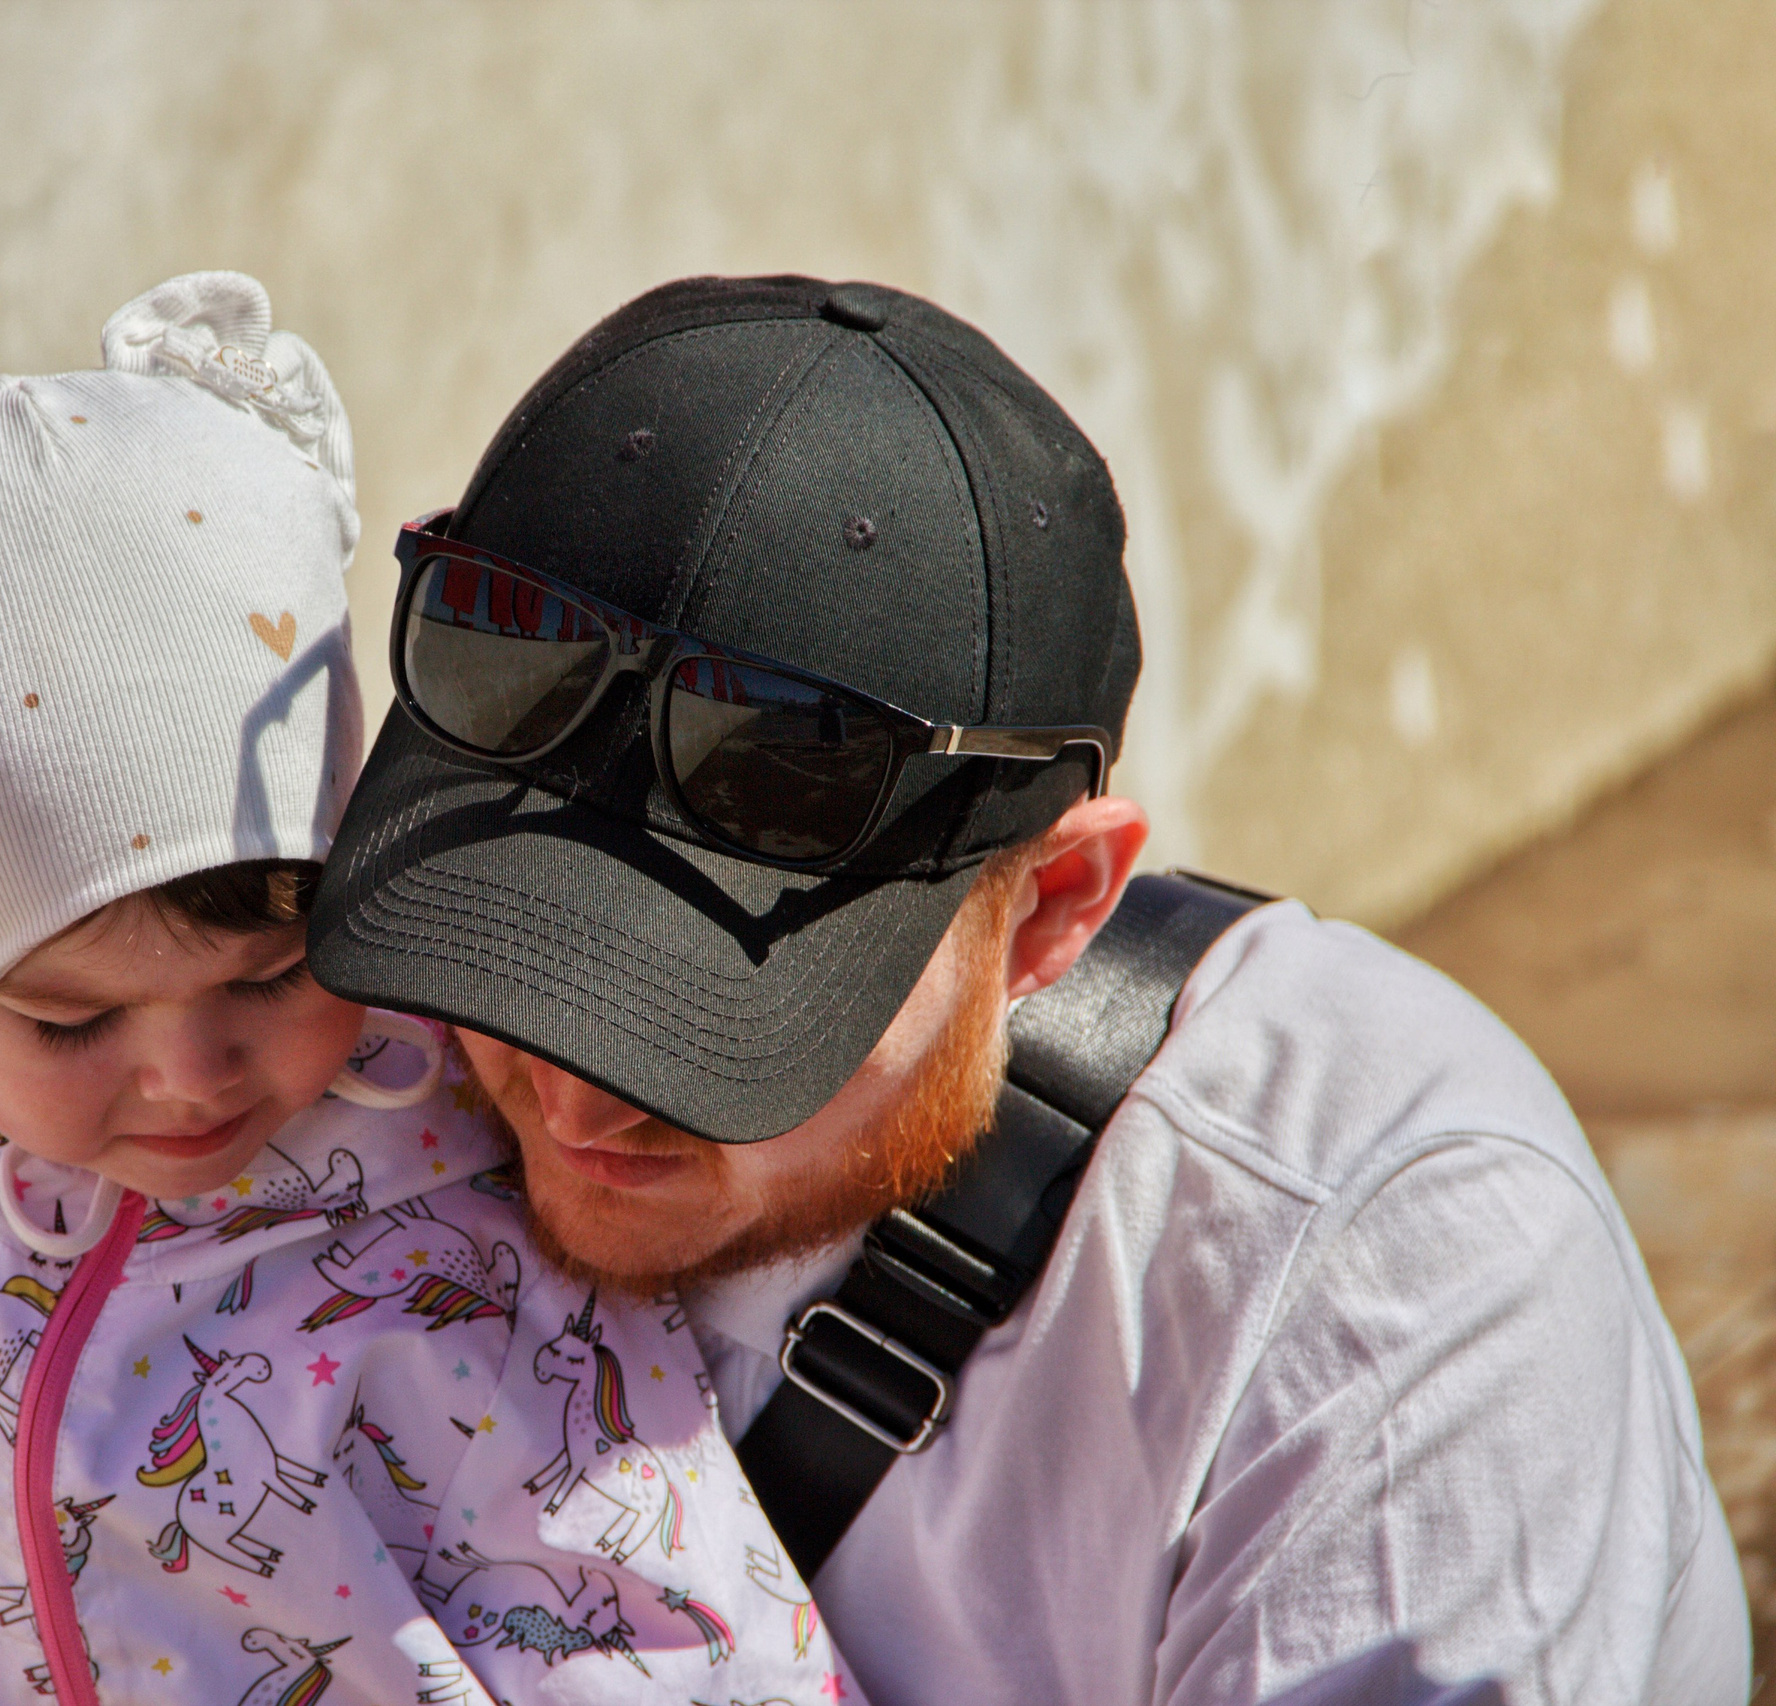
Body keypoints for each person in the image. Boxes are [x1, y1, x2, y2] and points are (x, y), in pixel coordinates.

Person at [308, 273, 1750, 1704]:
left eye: (707, 1023)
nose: (563, 1086)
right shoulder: (285, 1052)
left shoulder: (1381, 1280)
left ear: (1052, 909)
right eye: (509, 945)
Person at [0, 272, 861, 1706]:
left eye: (273, 972)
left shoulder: (458, 1182)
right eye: (70, 1017)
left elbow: (662, 1626)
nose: (190, 1072)